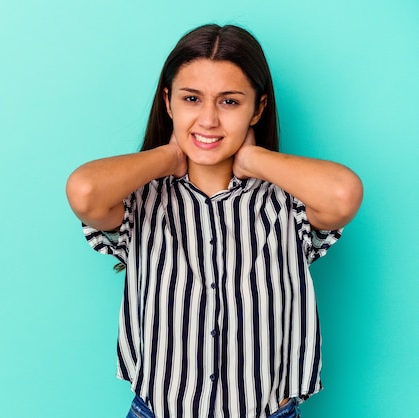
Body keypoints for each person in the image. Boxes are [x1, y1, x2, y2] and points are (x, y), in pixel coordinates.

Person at [65, 24, 362, 418]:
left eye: (229, 102)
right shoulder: (141, 202)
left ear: (257, 108)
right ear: (168, 102)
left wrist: (253, 160)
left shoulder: (289, 206)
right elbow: (84, 191)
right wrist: (170, 157)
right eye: (192, 99)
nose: (208, 120)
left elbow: (343, 194)